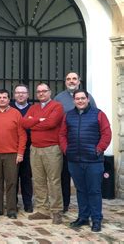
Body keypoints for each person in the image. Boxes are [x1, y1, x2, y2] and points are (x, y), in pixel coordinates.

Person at [59, 90, 111, 233]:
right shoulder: (68, 116)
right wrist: (66, 150)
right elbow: (62, 134)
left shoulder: (98, 114)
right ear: (74, 100)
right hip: (74, 160)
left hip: (93, 161)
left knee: (94, 191)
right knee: (81, 190)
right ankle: (83, 217)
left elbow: (107, 134)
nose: (80, 101)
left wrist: (98, 149)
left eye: (83, 98)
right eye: (77, 99)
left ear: (88, 99)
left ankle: (96, 220)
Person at [22, 83, 64, 224]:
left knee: (53, 180)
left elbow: (51, 123)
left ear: (49, 92)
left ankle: (56, 211)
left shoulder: (57, 106)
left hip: (52, 148)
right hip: (35, 149)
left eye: (44, 91)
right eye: (38, 91)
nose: (41, 93)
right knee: (39, 181)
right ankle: (42, 210)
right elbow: (24, 123)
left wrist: (33, 123)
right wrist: (38, 120)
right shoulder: (33, 108)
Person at [55, 72, 97, 213]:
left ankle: (88, 209)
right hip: (67, 145)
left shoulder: (88, 97)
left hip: (86, 146)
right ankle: (65, 204)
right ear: (65, 81)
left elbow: (95, 119)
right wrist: (64, 146)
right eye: (68, 79)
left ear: (79, 81)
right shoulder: (58, 98)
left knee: (86, 180)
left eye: (74, 79)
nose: (71, 81)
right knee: (64, 176)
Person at [0, 89, 26, 219]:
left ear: (9, 100)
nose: (2, 99)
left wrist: (20, 153)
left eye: (4, 97)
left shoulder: (16, 114)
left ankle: (11, 210)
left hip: (12, 154)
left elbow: (22, 135)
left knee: (11, 182)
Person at [11, 84, 33, 213]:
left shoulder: (33, 109)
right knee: (12, 177)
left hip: (29, 149)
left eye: (23, 93)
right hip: (12, 148)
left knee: (26, 177)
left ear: (28, 95)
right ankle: (13, 203)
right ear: (14, 95)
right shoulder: (9, 108)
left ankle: (28, 203)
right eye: (18, 92)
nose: (20, 95)